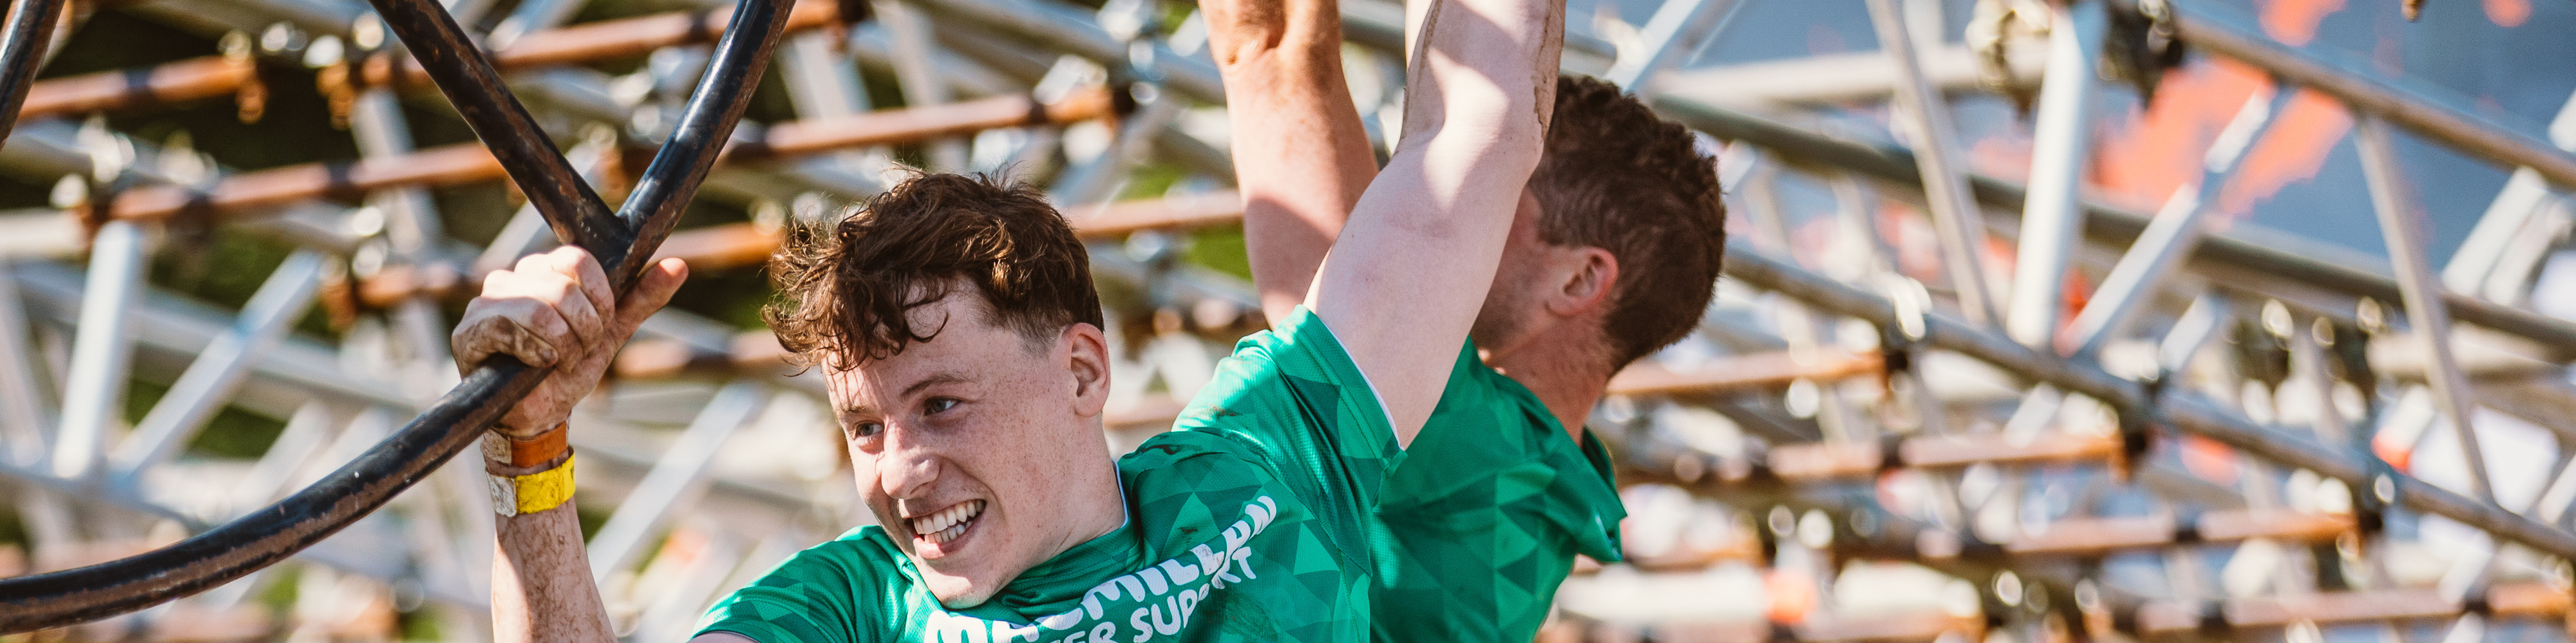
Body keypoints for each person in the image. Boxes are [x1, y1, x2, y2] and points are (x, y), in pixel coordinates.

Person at [448, 0, 1567, 637]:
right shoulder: (852, 609)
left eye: (939, 403)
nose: (899, 466)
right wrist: (528, 448)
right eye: (867, 426)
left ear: (1084, 369)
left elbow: (1471, 140)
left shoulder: (1264, 455)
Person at [1202, 0, 1728, 636]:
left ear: (1578, 279)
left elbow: (1270, 48)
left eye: (1492, 188)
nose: (1437, 199)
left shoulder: (1488, 461)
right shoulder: (1531, 485)